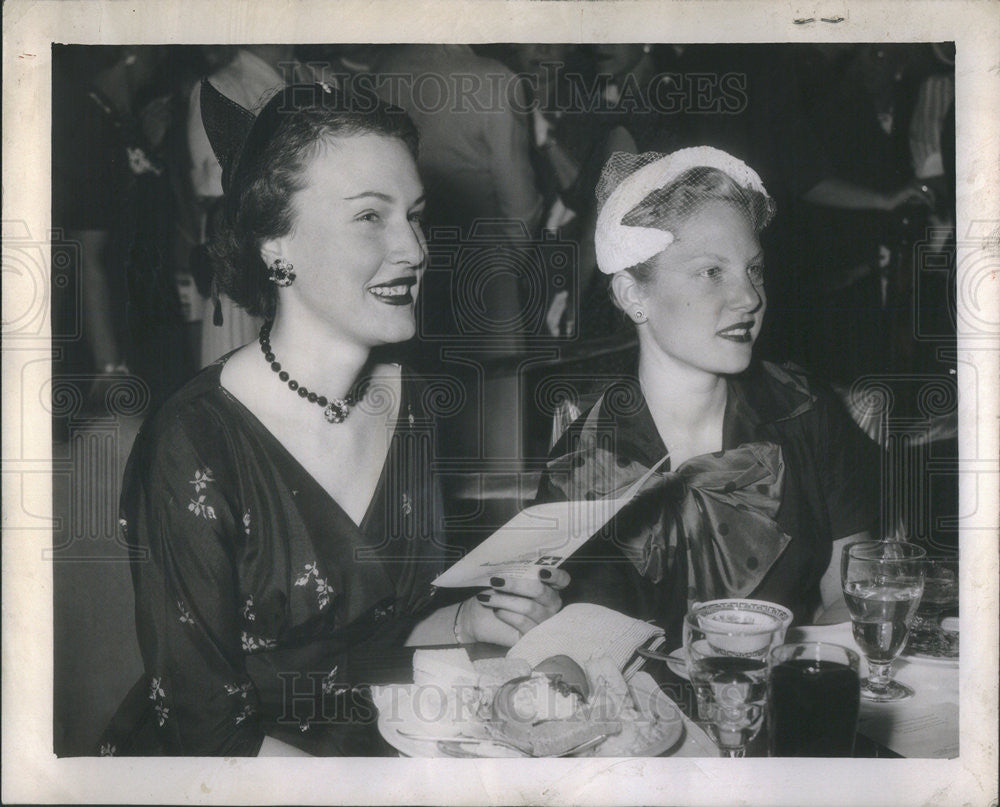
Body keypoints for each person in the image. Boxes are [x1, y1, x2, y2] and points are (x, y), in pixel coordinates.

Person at [105, 82, 567, 756]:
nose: (413, 249)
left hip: (379, 738)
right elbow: (205, 729)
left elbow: (374, 635)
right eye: (370, 217)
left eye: (414, 215)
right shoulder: (195, 441)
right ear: (275, 244)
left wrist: (471, 617)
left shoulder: (408, 401)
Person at [534, 147, 880, 649]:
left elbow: (853, 595)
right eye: (712, 272)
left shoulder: (806, 411)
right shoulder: (583, 460)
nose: (749, 298)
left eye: (753, 270)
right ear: (634, 295)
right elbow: (566, 648)